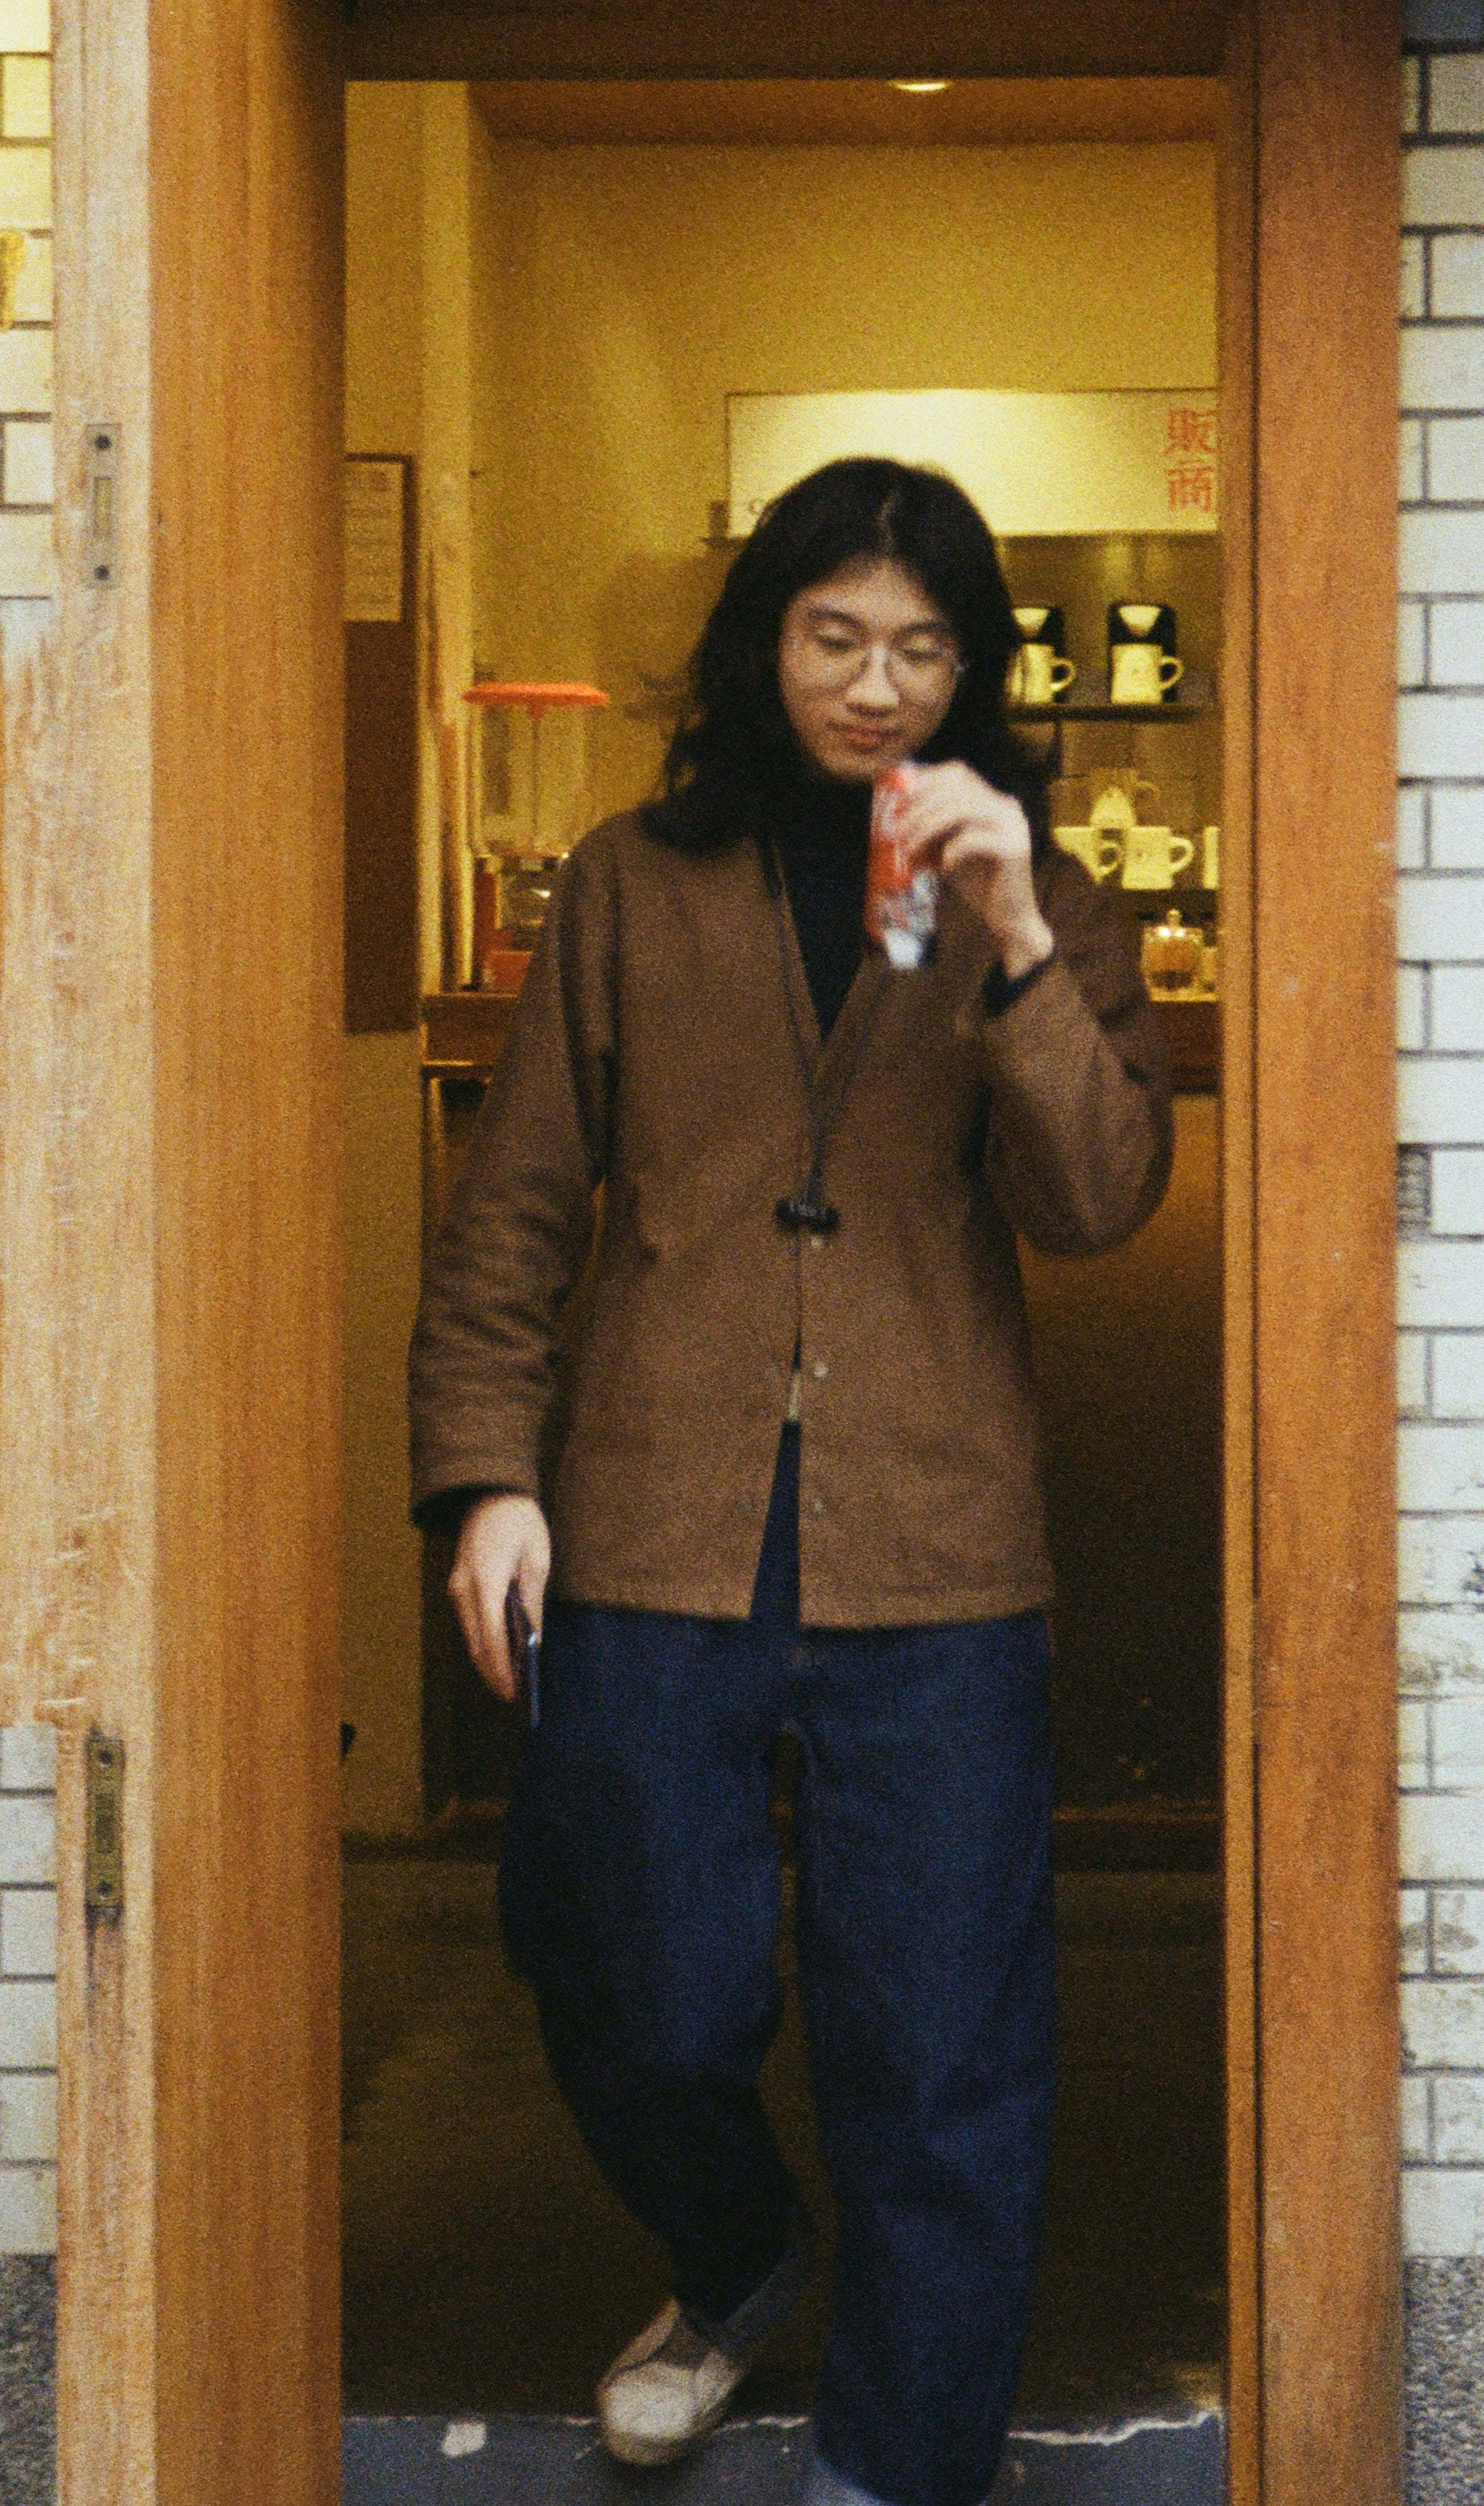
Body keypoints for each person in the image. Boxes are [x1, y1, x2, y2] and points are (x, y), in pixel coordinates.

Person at [408, 456, 1177, 2506]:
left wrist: (1018, 936)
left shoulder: (1045, 902)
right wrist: (487, 1478)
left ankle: (895, 2466)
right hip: (655, 1521)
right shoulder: (633, 883)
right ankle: (739, 2256)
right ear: (766, 642)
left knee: (937, 2047)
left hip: (934, 1545)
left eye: (923, 648)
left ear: (976, 672)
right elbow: (515, 1210)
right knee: (630, 1976)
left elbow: (1099, 1194)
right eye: (835, 636)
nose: (876, 685)